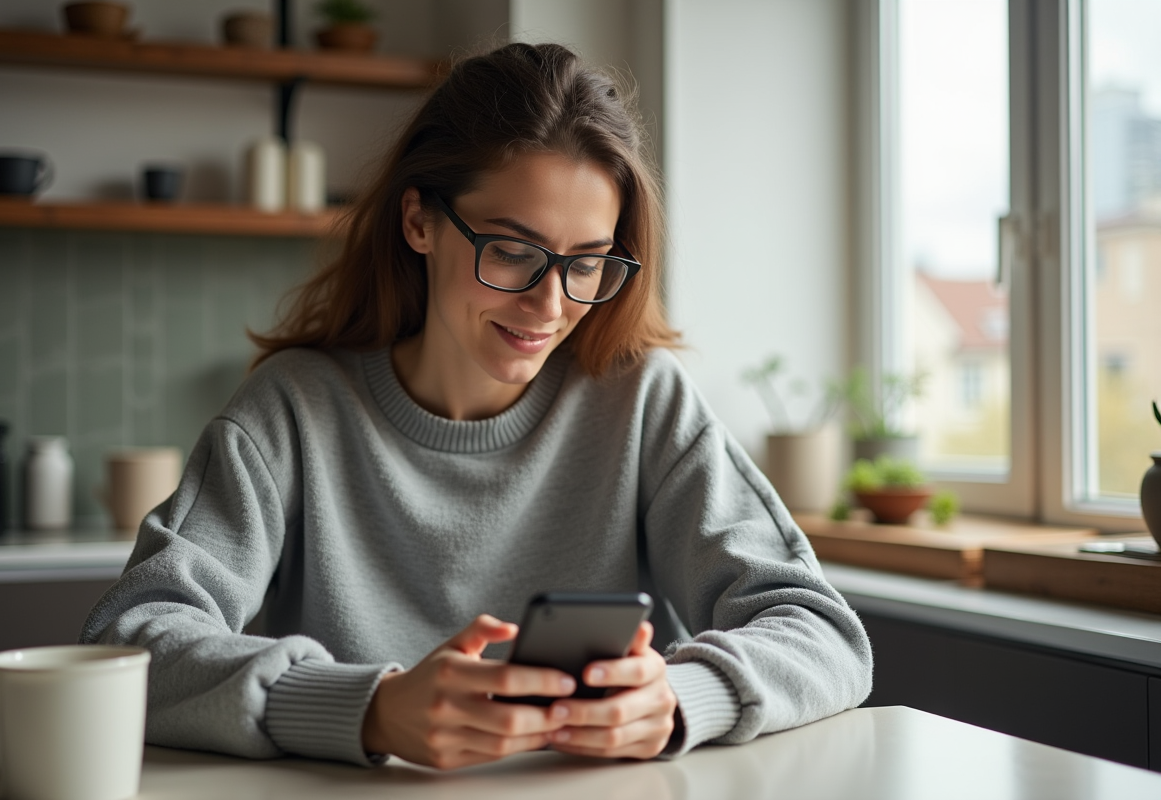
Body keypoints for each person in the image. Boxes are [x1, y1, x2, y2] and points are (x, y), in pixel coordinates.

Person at [81, 42, 872, 771]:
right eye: (513, 252)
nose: (550, 305)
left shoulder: (643, 402)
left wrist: (678, 697)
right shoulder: (291, 410)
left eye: (587, 264)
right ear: (418, 221)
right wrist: (369, 710)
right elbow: (130, 644)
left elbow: (823, 633)